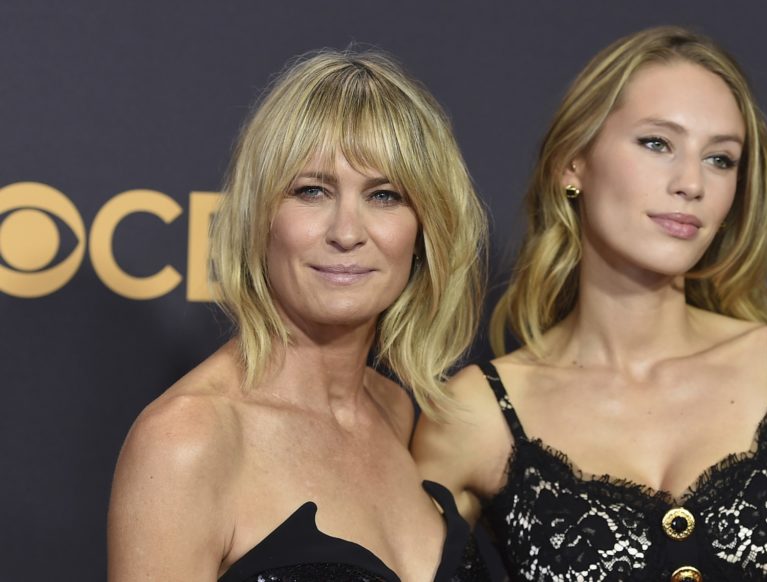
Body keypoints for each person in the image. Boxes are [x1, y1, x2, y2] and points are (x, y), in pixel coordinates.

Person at [414, 26, 767, 581]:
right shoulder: (477, 414)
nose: (691, 183)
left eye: (721, 159)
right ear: (573, 163)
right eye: (657, 143)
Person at [108, 49, 489, 582]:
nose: (347, 232)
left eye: (384, 195)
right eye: (312, 191)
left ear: (424, 230)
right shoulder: (187, 440)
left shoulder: (394, 410)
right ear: (261, 216)